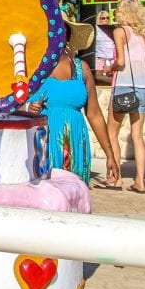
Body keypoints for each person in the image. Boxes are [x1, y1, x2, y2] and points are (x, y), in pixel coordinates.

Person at [27, 17, 119, 186]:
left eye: (61, 30)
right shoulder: (34, 68)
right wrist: (28, 108)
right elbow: (13, 107)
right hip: (44, 148)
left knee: (76, 196)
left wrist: (110, 154)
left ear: (68, 36)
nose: (56, 34)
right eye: (51, 29)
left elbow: (95, 115)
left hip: (76, 146)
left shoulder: (81, 68)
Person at [107, 0, 145, 192]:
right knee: (137, 135)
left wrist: (109, 69)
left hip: (123, 86)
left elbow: (120, 62)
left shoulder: (120, 32)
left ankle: (116, 179)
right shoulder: (144, 35)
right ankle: (140, 181)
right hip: (142, 87)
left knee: (111, 133)